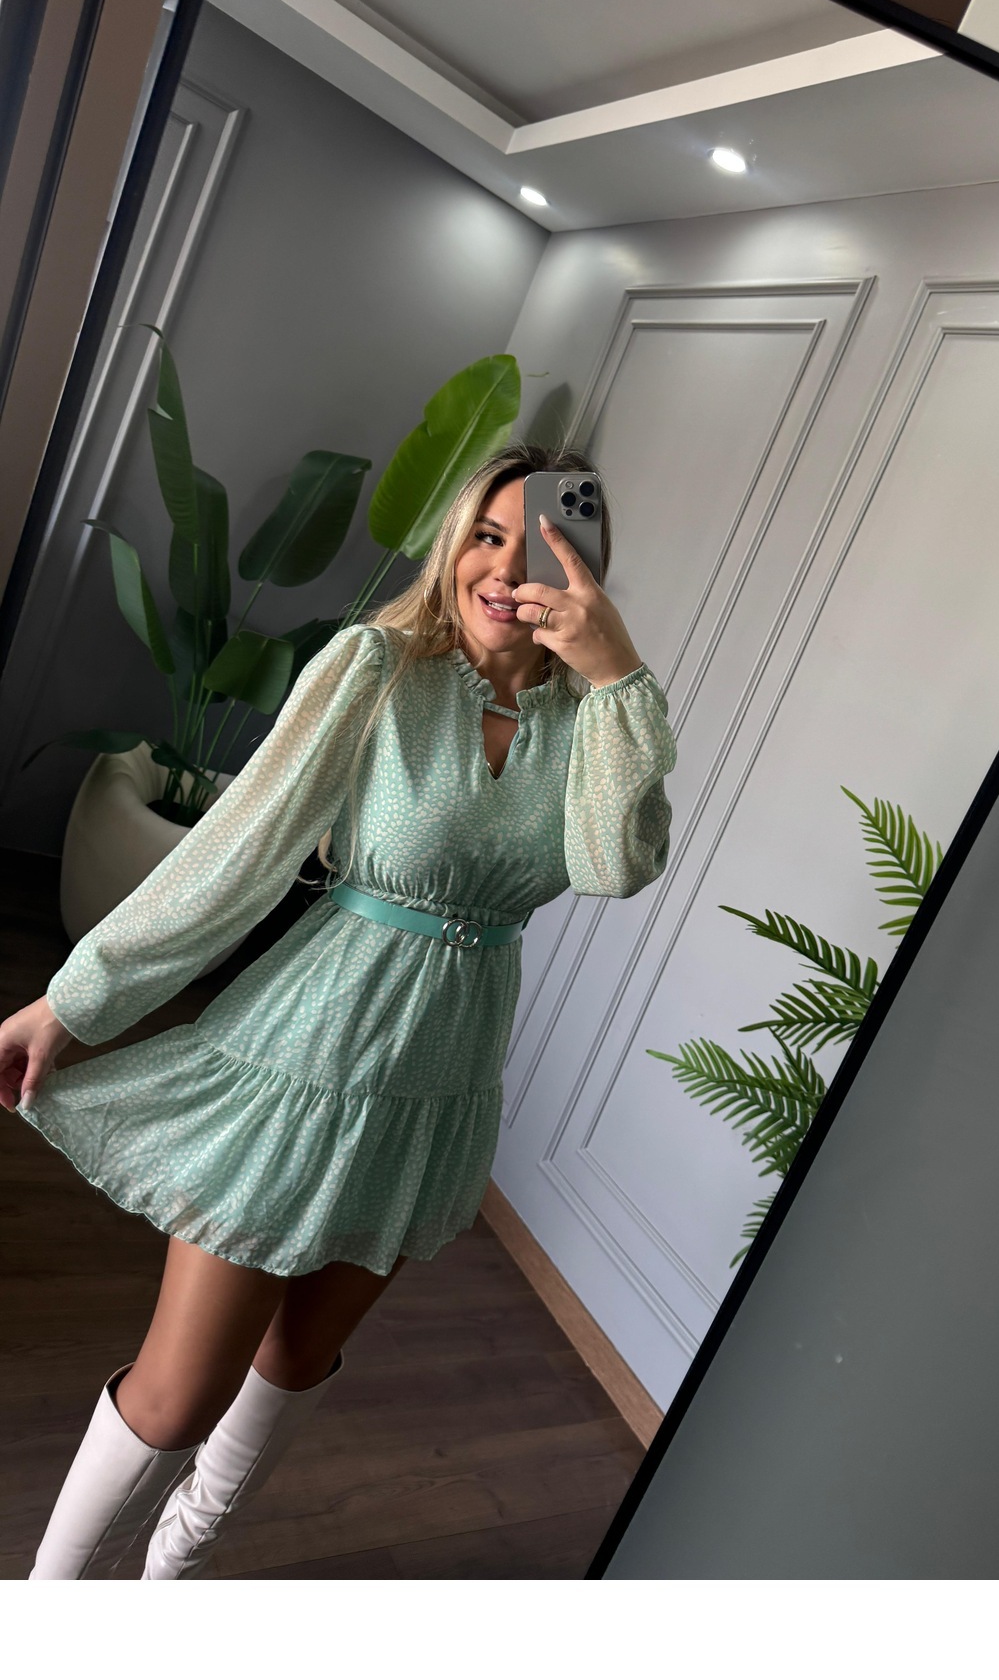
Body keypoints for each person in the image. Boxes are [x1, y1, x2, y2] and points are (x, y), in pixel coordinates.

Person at [0, 444, 677, 1581]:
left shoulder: (590, 721)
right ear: (454, 545)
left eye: (541, 542)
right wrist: (72, 1004)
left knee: (295, 1365)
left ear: (587, 562)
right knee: (181, 1394)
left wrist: (615, 679)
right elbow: (234, 854)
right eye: (487, 535)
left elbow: (614, 865)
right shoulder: (378, 670)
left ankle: (167, 1582)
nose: (506, 567)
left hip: (438, 1083)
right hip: (307, 1056)